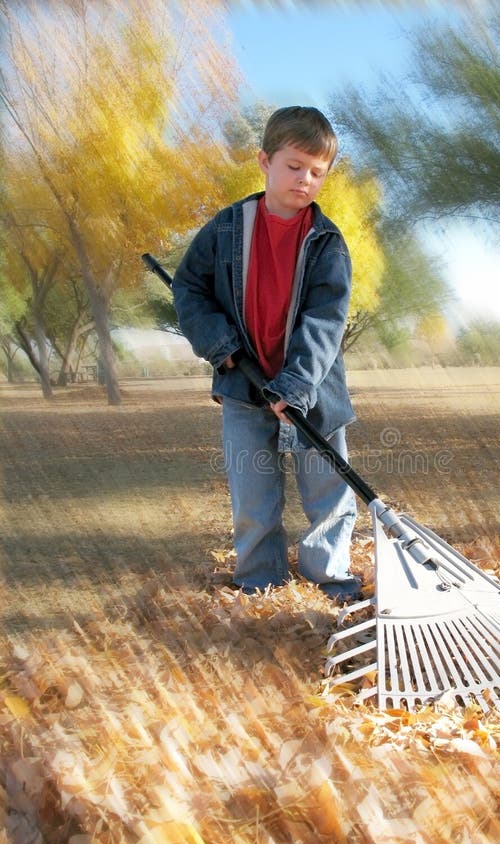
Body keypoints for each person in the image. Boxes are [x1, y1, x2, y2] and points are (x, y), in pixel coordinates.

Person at [172, 106, 361, 603]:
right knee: (253, 496)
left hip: (313, 388)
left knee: (329, 493)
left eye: (317, 172)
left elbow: (325, 322)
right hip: (243, 384)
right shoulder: (227, 228)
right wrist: (220, 345)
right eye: (294, 165)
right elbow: (190, 287)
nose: (305, 179)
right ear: (265, 161)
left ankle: (329, 580)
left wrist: (295, 386)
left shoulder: (328, 243)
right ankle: (260, 583)